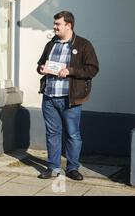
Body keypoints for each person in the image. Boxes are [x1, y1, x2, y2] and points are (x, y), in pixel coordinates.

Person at [36, 11, 99, 181]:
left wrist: (70, 71)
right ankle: (53, 167)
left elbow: (92, 69)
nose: (54, 27)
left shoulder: (84, 45)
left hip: (70, 98)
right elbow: (40, 64)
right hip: (49, 96)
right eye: (55, 23)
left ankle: (72, 168)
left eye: (58, 24)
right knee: (52, 133)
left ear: (68, 25)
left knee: (72, 134)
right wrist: (41, 68)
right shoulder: (51, 44)